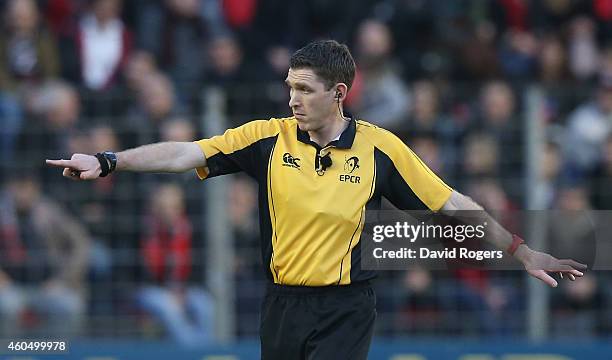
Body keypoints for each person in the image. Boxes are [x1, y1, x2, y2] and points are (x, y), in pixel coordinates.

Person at [47, 40, 587, 359]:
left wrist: (519, 249)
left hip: (345, 308)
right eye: (289, 87)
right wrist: (110, 160)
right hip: (281, 305)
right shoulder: (268, 137)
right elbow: (186, 153)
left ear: (339, 93)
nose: (293, 99)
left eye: (305, 90)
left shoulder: (380, 148)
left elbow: (452, 204)